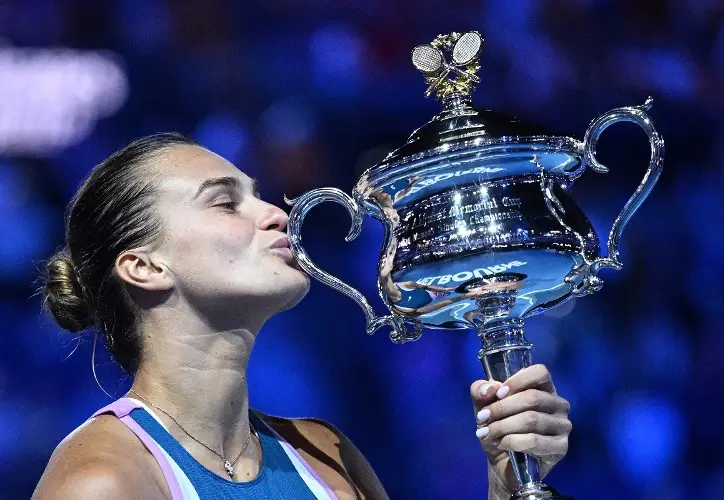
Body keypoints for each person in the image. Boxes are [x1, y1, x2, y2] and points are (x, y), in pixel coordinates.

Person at [32, 133, 572, 499]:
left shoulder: (327, 455)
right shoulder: (102, 480)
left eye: (260, 196)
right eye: (225, 202)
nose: (277, 214)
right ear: (144, 266)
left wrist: (508, 484)